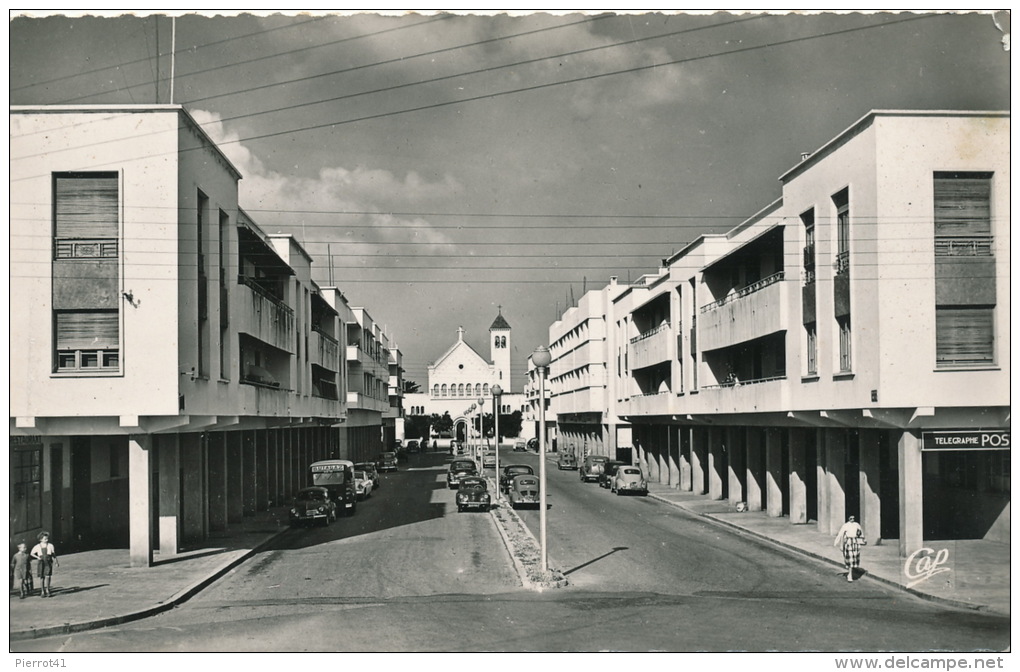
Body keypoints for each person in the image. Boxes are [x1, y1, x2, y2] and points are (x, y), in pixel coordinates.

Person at [834, 515, 866, 582]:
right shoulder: (845, 525)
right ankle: (850, 575)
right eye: (851, 518)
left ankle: (851, 573)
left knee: (854, 559)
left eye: (853, 518)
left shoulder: (856, 525)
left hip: (855, 543)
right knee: (850, 560)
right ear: (848, 518)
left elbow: (860, 533)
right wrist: (839, 544)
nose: (852, 519)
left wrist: (863, 539)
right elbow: (840, 535)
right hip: (848, 543)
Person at [30, 531, 58, 598]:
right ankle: (42, 591)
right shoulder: (37, 546)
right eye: (45, 539)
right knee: (42, 577)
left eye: (47, 538)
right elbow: (32, 553)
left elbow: (53, 554)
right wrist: (37, 557)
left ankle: (48, 590)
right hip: (41, 562)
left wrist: (56, 561)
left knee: (48, 576)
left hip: (48, 562)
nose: (47, 540)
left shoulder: (50, 545)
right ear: (41, 539)